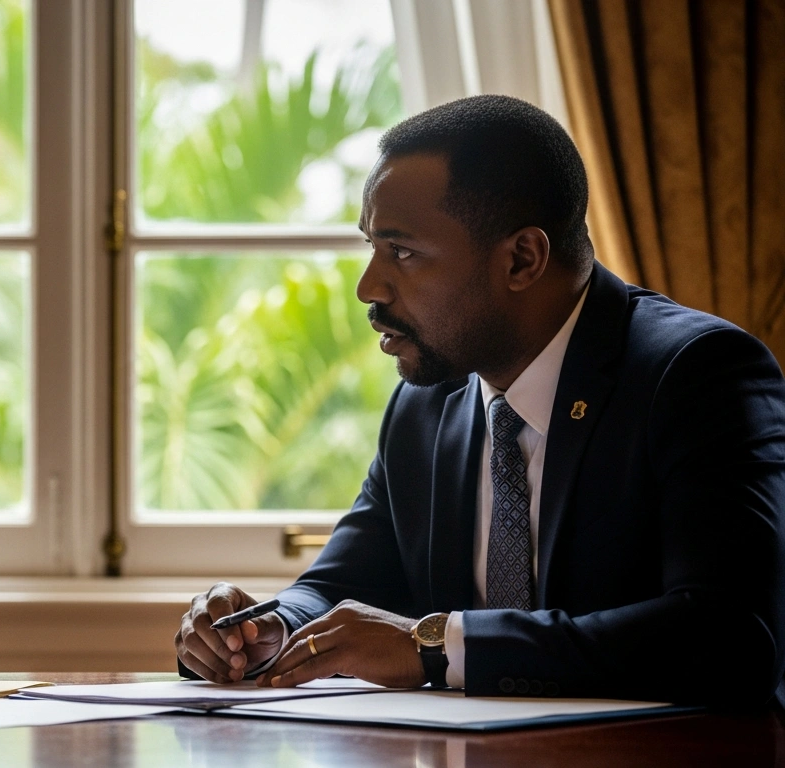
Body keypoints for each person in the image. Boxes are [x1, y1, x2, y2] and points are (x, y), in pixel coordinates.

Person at [175, 94, 785, 707]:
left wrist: (437, 647)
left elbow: (733, 633)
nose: (368, 287)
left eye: (402, 252)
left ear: (522, 259)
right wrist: (266, 629)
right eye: (371, 247)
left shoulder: (696, 374)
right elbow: (341, 585)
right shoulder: (425, 405)